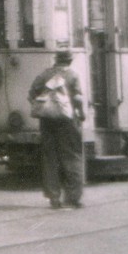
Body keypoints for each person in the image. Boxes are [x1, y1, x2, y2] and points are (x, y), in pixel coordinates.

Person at [27, 50, 85, 209]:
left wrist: (43, 107)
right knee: (72, 157)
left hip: (47, 121)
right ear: (70, 61)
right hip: (68, 121)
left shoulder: (45, 75)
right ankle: (73, 198)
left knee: (50, 158)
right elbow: (78, 98)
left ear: (56, 60)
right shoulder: (72, 75)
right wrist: (81, 114)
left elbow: (31, 94)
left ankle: (53, 197)